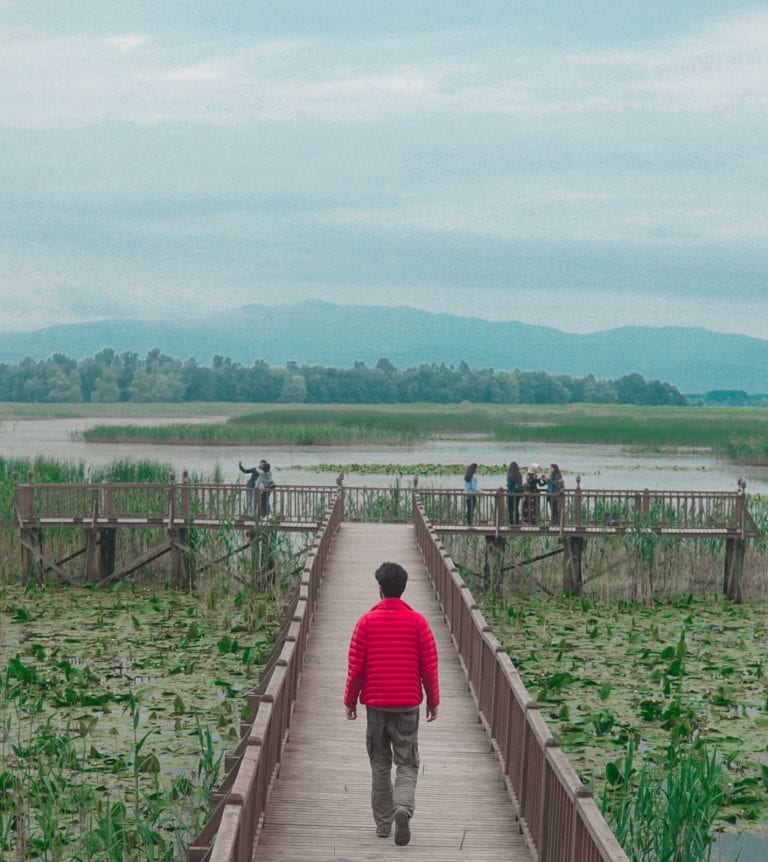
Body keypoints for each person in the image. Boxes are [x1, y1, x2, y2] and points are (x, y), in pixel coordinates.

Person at [344, 562, 439, 846]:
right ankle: (403, 808)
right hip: (407, 705)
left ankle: (384, 825)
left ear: (381, 589)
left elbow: (356, 669)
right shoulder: (419, 623)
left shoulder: (365, 622)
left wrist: (350, 700)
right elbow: (429, 668)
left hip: (375, 705)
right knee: (407, 763)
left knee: (380, 764)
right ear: (402, 589)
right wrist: (433, 701)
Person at [506, 461, 524, 525]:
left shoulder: (510, 475)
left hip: (511, 494)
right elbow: (520, 484)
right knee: (516, 508)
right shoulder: (519, 475)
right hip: (518, 494)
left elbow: (509, 485)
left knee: (510, 509)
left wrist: (508, 486)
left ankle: (511, 523)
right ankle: (517, 522)